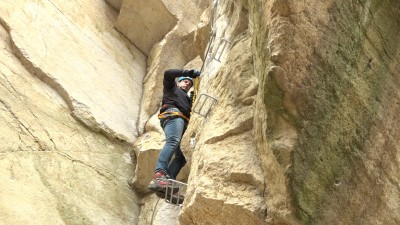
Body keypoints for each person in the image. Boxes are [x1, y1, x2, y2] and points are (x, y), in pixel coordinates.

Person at [148, 69, 201, 193]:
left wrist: (192, 101)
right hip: (173, 116)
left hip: (182, 120)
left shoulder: (187, 100)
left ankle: (169, 182)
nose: (188, 84)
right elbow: (167, 73)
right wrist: (188, 73)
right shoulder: (171, 88)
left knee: (181, 156)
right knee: (173, 141)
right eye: (185, 82)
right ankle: (159, 175)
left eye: (190, 84)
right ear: (178, 83)